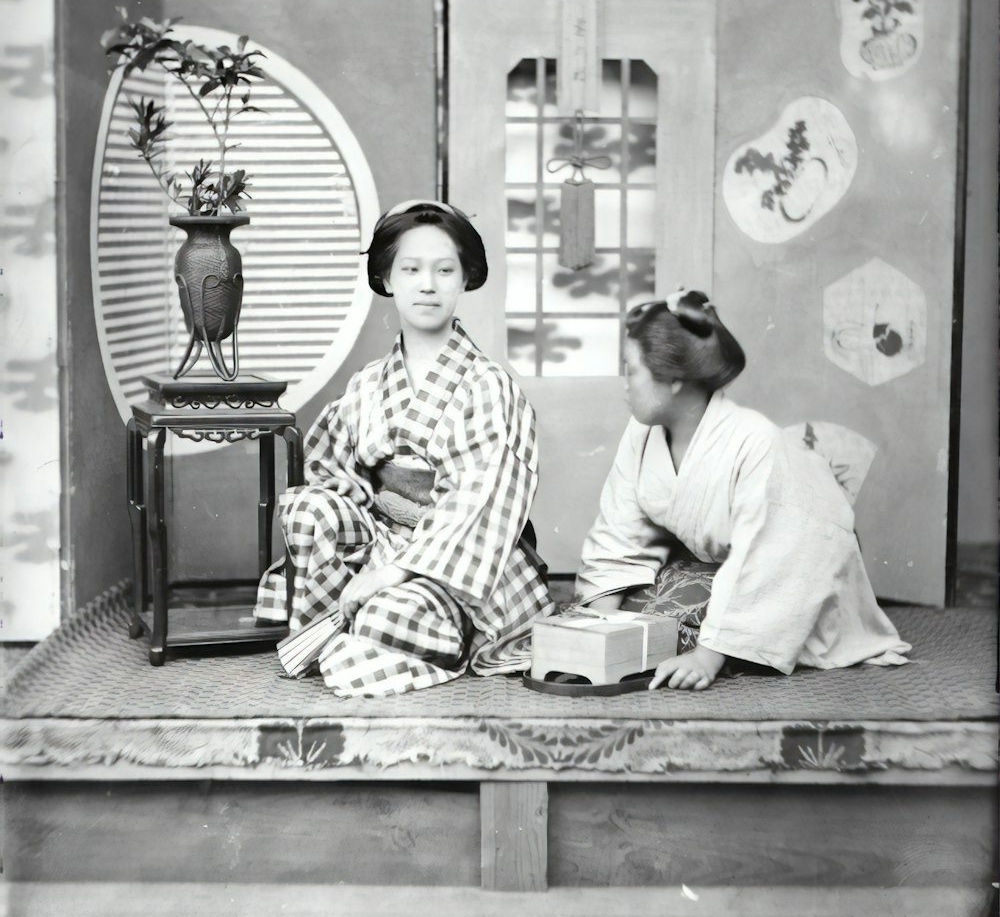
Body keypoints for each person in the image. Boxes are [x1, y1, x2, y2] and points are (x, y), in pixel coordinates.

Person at [255, 199, 552, 696]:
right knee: (308, 507)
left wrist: (392, 572)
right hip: (381, 542)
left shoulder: (488, 385)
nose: (428, 284)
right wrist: (362, 514)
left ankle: (401, 626)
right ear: (388, 279)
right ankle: (338, 623)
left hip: (455, 561)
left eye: (444, 270)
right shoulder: (369, 383)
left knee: (386, 616)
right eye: (411, 269)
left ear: (465, 280)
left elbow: (479, 499)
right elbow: (330, 469)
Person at [576, 289, 911, 691]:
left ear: (675, 379)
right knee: (636, 620)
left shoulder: (755, 442)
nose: (623, 385)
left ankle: (730, 639)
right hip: (724, 561)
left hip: (797, 561)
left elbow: (772, 552)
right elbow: (620, 526)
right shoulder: (642, 432)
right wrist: (601, 624)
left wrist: (708, 656)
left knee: (677, 630)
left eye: (630, 370)